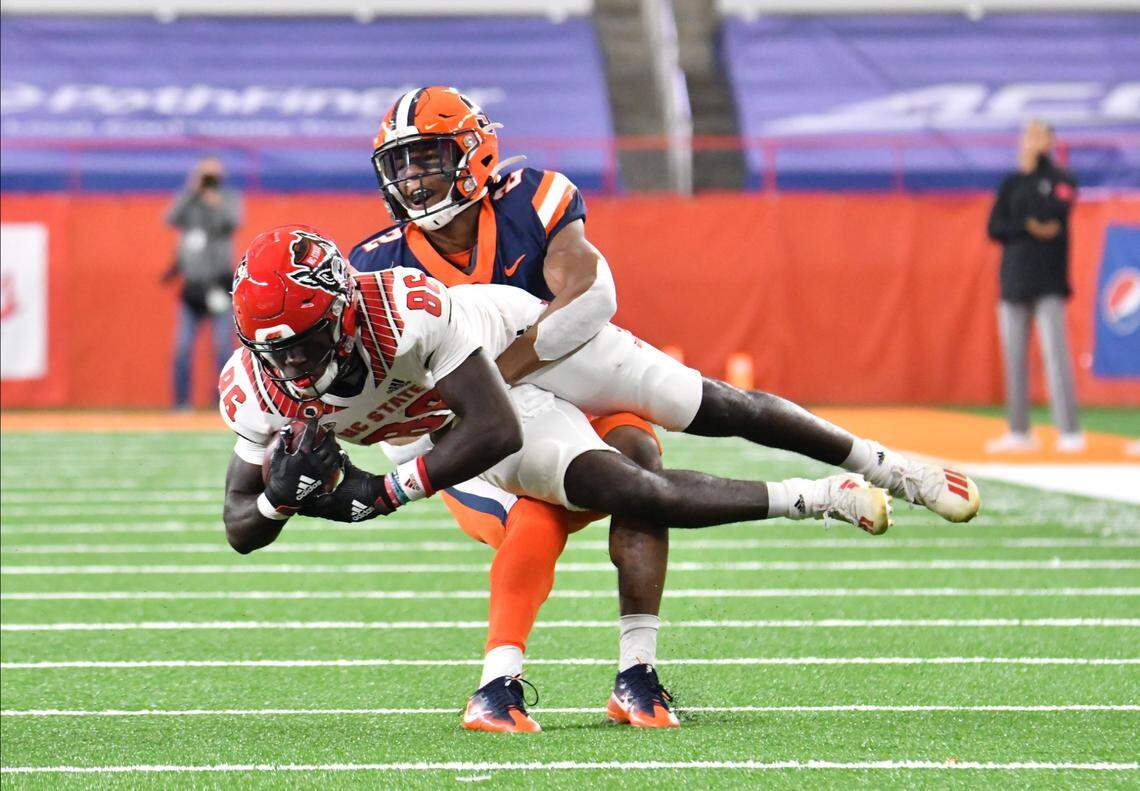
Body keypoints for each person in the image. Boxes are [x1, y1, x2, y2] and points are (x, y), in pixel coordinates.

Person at [347, 86, 977, 732]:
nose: (413, 179)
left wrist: (496, 372)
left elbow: (593, 295)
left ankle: (639, 671)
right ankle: (495, 683)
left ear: (473, 154)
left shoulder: (530, 199)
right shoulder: (378, 267)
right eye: (400, 165)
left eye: (425, 158)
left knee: (684, 423)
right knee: (534, 518)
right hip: (470, 431)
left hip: (550, 364)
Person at [220, 225, 981, 732]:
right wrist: (280, 497)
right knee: (624, 485)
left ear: (346, 307)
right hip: (477, 417)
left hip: (528, 359)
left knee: (708, 402)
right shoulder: (256, 385)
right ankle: (817, 500)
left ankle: (889, 469)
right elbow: (239, 525)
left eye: (309, 339)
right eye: (274, 350)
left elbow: (493, 422)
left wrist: (386, 493)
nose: (292, 364)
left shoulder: (406, 309)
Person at [986, 120, 1082, 453]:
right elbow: (995, 226)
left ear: (1051, 141)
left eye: (1040, 135)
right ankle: (1019, 430)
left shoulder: (1061, 179)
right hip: (1013, 280)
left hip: (1049, 281)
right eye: (1029, 135)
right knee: (1014, 360)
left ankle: (1069, 430)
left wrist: (1027, 220)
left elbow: (1055, 213)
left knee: (1056, 356)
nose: (1032, 141)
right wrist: (1028, 226)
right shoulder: (1011, 183)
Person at [165, 156, 242, 409]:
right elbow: (171, 217)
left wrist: (215, 202)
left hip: (219, 286)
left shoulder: (227, 198)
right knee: (183, 349)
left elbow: (233, 222)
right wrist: (191, 190)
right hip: (193, 288)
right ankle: (181, 404)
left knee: (222, 348)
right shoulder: (191, 201)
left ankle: (222, 403)